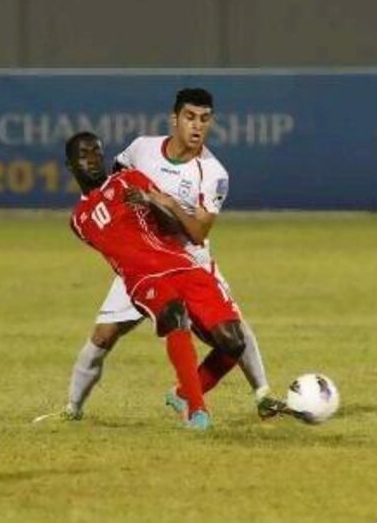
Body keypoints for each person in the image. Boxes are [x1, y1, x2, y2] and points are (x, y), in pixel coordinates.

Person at [62, 88, 282, 420]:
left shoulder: (213, 173)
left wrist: (166, 205)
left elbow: (197, 233)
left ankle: (260, 392)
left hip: (189, 256)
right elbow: (113, 183)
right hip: (142, 261)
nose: (197, 127)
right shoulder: (142, 149)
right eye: (190, 118)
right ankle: (71, 409)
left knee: (231, 329)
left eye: (205, 120)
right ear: (174, 119)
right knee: (103, 336)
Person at [50, 131, 251, 430]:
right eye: (84, 154)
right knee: (171, 315)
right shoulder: (78, 220)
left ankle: (183, 394)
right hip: (143, 279)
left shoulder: (129, 179)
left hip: (182, 265)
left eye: (97, 152)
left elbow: (172, 226)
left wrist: (152, 201)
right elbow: (118, 252)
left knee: (234, 341)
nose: (93, 159)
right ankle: (198, 413)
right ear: (70, 165)